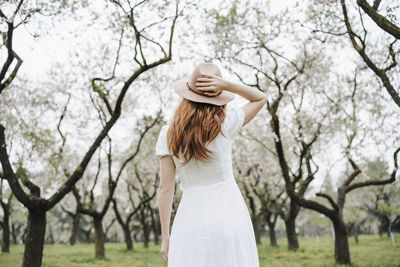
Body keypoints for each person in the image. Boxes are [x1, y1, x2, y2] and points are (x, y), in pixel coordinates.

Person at [155, 62, 267, 267]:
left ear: (186, 96)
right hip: (229, 214)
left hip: (190, 218)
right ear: (218, 97)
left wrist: (165, 237)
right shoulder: (226, 124)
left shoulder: (168, 134)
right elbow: (260, 98)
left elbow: (165, 188)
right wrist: (226, 85)